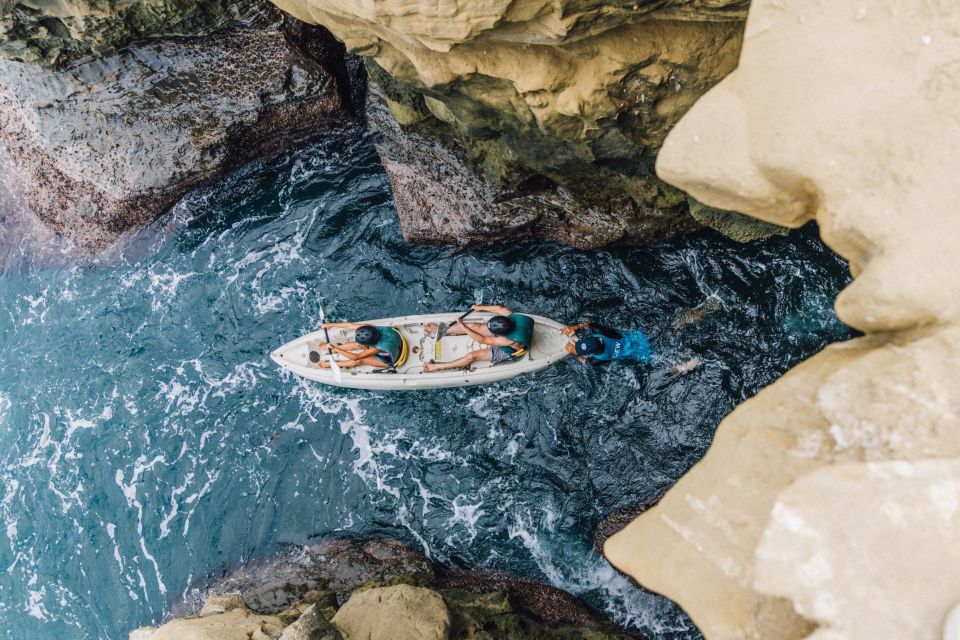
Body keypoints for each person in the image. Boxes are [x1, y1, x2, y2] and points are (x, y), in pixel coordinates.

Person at [422, 304, 533, 372]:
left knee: (471, 356)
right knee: (474, 326)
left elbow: (483, 340)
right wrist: (479, 308)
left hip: (508, 351)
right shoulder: (511, 317)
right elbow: (499, 309)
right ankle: (439, 330)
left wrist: (463, 327)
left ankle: (437, 367)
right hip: (511, 332)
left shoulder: (507, 340)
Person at [309, 323, 408, 370]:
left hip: (395, 359)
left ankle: (326, 364)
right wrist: (332, 325)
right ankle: (330, 349)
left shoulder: (377, 348)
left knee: (360, 361)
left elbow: (356, 357)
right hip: (397, 340)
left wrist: (335, 348)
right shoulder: (373, 328)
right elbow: (351, 325)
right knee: (357, 344)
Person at [562, 321, 652, 364]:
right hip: (637, 337)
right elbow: (588, 324)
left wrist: (576, 354)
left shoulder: (598, 359)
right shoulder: (599, 331)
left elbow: (584, 361)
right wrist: (576, 327)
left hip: (635, 353)